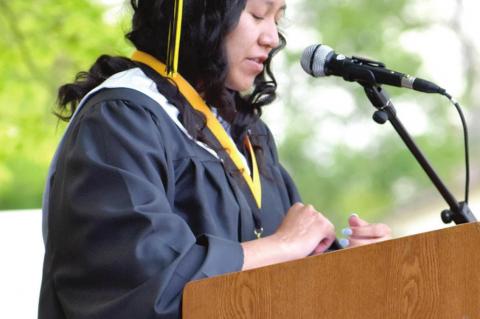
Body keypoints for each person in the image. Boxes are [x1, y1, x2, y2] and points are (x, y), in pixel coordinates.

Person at [39, 0, 391, 318]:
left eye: (277, 19)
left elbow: (290, 275)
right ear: (199, 13)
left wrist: (346, 264)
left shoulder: (248, 135)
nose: (272, 37)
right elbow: (142, 287)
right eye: (257, 14)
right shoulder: (121, 119)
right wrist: (282, 245)